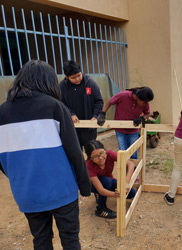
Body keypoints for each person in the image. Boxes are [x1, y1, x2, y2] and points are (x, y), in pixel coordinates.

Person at [0, 60, 91, 249]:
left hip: (27, 192)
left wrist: (19, 177)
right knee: (70, 239)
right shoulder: (54, 107)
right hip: (62, 189)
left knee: (40, 240)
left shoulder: (3, 111)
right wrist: (84, 186)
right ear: (48, 82)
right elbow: (74, 151)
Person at [97, 87, 154, 159]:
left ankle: (133, 170)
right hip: (120, 130)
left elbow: (147, 114)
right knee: (123, 153)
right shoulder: (123, 95)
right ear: (138, 98)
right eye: (144, 102)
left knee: (133, 154)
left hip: (133, 131)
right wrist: (102, 113)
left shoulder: (145, 102)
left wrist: (142, 118)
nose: (145, 104)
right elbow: (110, 102)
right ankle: (125, 170)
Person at [85, 140, 136, 218]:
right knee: (106, 182)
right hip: (93, 185)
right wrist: (114, 194)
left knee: (131, 193)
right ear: (90, 158)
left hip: (108, 181)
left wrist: (126, 183)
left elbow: (130, 164)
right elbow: (100, 189)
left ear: (105, 150)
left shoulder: (109, 154)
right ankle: (101, 210)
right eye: (95, 157)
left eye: (102, 153)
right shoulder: (89, 165)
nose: (100, 158)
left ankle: (101, 195)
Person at [60, 60, 104, 149]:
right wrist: (70, 114)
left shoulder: (90, 84)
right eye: (73, 77)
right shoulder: (62, 87)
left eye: (79, 75)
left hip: (89, 128)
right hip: (72, 128)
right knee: (76, 151)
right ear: (66, 76)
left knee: (91, 150)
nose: (77, 79)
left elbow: (99, 102)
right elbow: (61, 103)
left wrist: (95, 116)